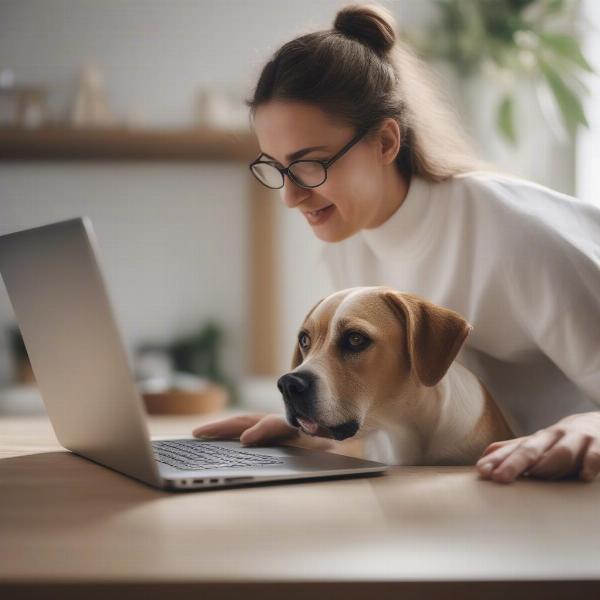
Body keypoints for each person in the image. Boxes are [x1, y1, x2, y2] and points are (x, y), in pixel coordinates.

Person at [193, 3, 600, 485]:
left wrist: (591, 422)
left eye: (310, 165)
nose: (291, 197)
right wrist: (312, 425)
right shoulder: (348, 240)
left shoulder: (518, 236)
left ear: (386, 142)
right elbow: (403, 396)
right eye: (278, 169)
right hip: (482, 487)